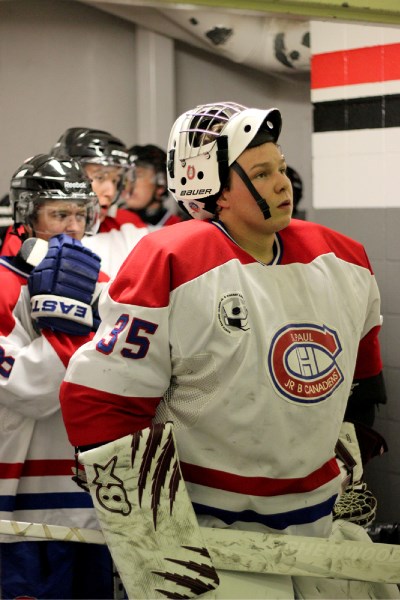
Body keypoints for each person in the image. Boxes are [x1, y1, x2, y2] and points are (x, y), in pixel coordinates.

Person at [60, 102, 389, 598]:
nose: (284, 184)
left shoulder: (344, 258)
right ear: (209, 187)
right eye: (261, 172)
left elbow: (361, 388)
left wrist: (350, 476)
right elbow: (101, 404)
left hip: (322, 525)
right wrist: (157, 540)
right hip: (213, 536)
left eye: (280, 167)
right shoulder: (170, 257)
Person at [0, 154, 114, 598]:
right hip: (21, 509)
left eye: (80, 214)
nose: (71, 227)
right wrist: (67, 332)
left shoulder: (105, 284)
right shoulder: (4, 286)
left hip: (94, 502)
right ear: (28, 217)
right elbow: (27, 390)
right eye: (58, 214)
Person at [52, 127, 149, 278]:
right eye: (100, 177)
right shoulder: (37, 228)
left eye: (115, 180)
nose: (110, 191)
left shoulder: (129, 225)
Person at [118, 144, 184, 229]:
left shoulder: (179, 227)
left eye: (136, 176)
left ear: (161, 185)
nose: (127, 184)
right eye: (125, 176)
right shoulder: (110, 222)